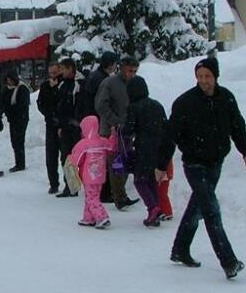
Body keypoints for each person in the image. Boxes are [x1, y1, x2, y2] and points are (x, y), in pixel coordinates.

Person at [168, 57, 246, 280]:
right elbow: (171, 135)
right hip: (194, 163)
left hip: (216, 161)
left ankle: (180, 249)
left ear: (215, 76)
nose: (204, 80)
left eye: (207, 76)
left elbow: (237, 126)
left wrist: (245, 151)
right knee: (211, 210)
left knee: (197, 207)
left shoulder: (226, 98)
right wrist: (161, 164)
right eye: (200, 76)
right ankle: (229, 262)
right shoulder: (185, 102)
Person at [125, 75, 176, 227]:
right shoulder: (157, 105)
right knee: (152, 180)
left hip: (144, 148)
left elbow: (129, 129)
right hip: (160, 148)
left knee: (140, 181)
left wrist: (122, 129)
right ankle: (155, 212)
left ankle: (153, 208)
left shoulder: (133, 107)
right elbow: (166, 126)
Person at [94, 55, 139, 210]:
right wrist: (115, 121)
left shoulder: (134, 84)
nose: (132, 74)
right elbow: (100, 105)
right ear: (122, 68)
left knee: (125, 163)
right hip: (111, 132)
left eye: (134, 71)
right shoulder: (109, 83)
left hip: (127, 131)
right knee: (116, 164)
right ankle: (119, 197)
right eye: (129, 71)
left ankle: (120, 194)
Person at [69, 115, 116, 230]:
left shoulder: (84, 144)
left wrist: (71, 160)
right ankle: (88, 218)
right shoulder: (102, 141)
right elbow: (111, 147)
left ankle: (102, 217)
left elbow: (76, 159)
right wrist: (113, 135)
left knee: (91, 198)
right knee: (92, 196)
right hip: (100, 175)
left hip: (89, 176)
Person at [54, 58, 90, 197]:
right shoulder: (63, 85)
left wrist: (80, 124)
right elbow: (60, 106)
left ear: (70, 69)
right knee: (66, 157)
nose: (61, 72)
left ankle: (88, 184)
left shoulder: (80, 84)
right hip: (66, 126)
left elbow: (82, 106)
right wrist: (60, 124)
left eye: (63, 69)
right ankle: (71, 186)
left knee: (80, 157)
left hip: (77, 127)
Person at [37, 62, 62, 194]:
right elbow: (41, 103)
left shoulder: (64, 84)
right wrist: (48, 114)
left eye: (55, 73)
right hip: (51, 124)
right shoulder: (45, 86)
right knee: (51, 157)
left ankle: (71, 184)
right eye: (50, 73)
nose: (52, 75)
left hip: (64, 125)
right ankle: (53, 183)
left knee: (67, 157)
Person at [2, 70, 30, 172]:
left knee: (19, 141)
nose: (9, 82)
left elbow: (23, 105)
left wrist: (11, 110)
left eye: (10, 80)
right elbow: (4, 102)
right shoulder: (7, 89)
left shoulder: (22, 89)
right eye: (7, 80)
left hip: (20, 118)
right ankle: (18, 162)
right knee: (14, 141)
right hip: (12, 119)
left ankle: (20, 163)